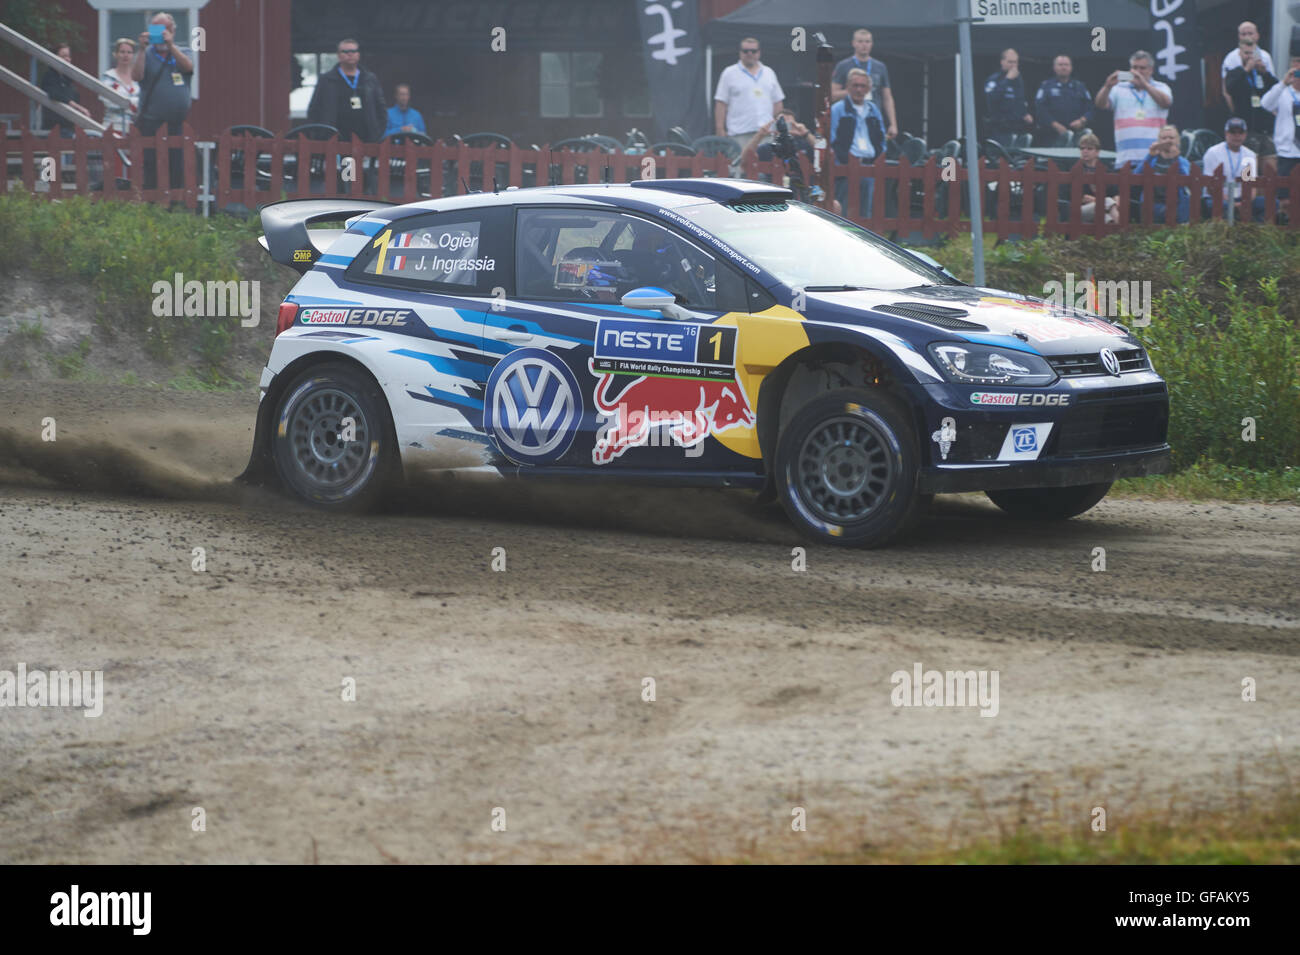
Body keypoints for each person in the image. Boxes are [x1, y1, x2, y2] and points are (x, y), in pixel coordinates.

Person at [131, 12, 194, 189]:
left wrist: (171, 45)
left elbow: (188, 68)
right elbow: (136, 76)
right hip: (152, 120)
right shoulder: (147, 53)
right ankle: (152, 201)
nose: (161, 33)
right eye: (156, 29)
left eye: (164, 29)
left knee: (177, 163)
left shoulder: (184, 51)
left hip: (176, 121)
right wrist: (142, 49)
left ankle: (175, 202)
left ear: (172, 30)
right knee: (152, 163)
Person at [713, 37, 784, 173]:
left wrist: (777, 127)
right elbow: (721, 103)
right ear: (740, 52)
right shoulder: (729, 73)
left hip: (766, 135)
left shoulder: (769, 73)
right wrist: (720, 129)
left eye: (753, 51)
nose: (749, 54)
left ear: (759, 52)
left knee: (765, 173)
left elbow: (778, 102)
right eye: (746, 51)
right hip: (739, 134)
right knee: (739, 173)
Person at [1095, 50, 1173, 167]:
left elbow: (1166, 103)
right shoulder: (1119, 88)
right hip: (1126, 157)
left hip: (1155, 157)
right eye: (1135, 67)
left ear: (1151, 70)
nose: (1138, 72)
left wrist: (1145, 85)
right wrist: (1107, 86)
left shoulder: (1161, 87)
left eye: (1142, 68)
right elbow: (1100, 104)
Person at [307, 38, 387, 142]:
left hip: (366, 140)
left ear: (358, 55)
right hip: (334, 140)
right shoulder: (326, 80)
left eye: (353, 51)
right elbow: (314, 110)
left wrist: (377, 133)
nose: (350, 54)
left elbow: (381, 109)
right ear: (338, 55)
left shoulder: (370, 79)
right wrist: (321, 135)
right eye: (345, 51)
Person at [831, 68, 885, 218]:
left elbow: (881, 137)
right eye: (855, 85)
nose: (859, 90)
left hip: (869, 166)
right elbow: (831, 139)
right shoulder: (837, 109)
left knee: (865, 212)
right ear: (847, 87)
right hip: (845, 167)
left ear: (868, 88)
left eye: (863, 86)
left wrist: (877, 157)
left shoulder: (874, 110)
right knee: (845, 210)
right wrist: (841, 159)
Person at [830, 28, 897, 139]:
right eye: (860, 41)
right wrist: (854, 92)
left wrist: (893, 124)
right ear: (853, 43)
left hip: (872, 117)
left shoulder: (880, 67)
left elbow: (887, 97)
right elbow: (832, 94)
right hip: (849, 118)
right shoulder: (843, 66)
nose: (864, 45)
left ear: (872, 44)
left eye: (867, 41)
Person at [1225, 46, 1279, 174]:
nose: (1250, 57)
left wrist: (1265, 73)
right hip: (1247, 129)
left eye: (1252, 54)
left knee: (1270, 171)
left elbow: (1277, 90)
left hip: (1266, 129)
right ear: (1240, 55)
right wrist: (1246, 69)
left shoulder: (1263, 74)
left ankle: (1267, 194)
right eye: (1246, 54)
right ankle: (1250, 194)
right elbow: (1230, 88)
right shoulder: (1235, 72)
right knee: (1248, 172)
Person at [1201, 117, 1265, 222]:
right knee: (1222, 206)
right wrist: (1231, 203)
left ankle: (1253, 231)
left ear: (1245, 135)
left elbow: (1252, 186)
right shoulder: (1213, 152)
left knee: (1269, 203)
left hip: (1242, 199)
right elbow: (1210, 186)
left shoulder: (1250, 155)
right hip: (1218, 198)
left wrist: (1245, 202)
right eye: (1233, 132)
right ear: (1226, 133)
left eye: (1240, 132)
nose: (1237, 136)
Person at [1133, 125, 1190, 224]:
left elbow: (1187, 182)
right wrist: (1150, 155)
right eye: (1164, 138)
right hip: (1153, 206)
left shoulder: (1183, 162)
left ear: (1178, 141)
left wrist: (1176, 158)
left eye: (1171, 138)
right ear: (1159, 141)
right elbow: (1135, 177)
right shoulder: (1151, 160)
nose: (1168, 140)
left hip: (1177, 207)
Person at [1034, 54, 1091, 146]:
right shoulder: (1046, 86)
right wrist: (1055, 125)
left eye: (1066, 65)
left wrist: (1082, 120)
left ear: (1071, 67)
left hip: (1076, 133)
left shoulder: (1080, 86)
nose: (1063, 67)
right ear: (1054, 67)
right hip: (1051, 135)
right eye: (1060, 65)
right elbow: (1040, 109)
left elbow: (1090, 108)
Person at [39, 42, 93, 137]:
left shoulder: (67, 79)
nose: (67, 59)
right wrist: (78, 107)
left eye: (68, 56)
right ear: (54, 57)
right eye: (63, 56)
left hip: (68, 127)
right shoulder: (49, 76)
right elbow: (54, 94)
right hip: (53, 128)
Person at [1222, 21, 1274, 115]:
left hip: (1261, 107)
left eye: (1250, 33)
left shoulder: (1265, 56)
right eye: (1243, 34)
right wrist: (1233, 112)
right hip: (1241, 106)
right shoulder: (1231, 57)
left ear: (1257, 35)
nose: (1247, 36)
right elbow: (1226, 89)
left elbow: (1273, 87)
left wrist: (1264, 72)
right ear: (1239, 36)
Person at [983, 49, 1033, 146]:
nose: (1013, 65)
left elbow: (1020, 99)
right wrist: (1007, 79)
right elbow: (992, 98)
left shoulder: (1018, 80)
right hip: (999, 128)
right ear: (1002, 62)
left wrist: (1025, 113)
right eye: (1010, 62)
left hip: (1017, 127)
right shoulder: (994, 79)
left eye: (1015, 62)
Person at [1067, 133, 1117, 224]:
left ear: (1097, 152)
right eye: (1082, 148)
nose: (1085, 151)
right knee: (1108, 202)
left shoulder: (1106, 170)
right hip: (1081, 210)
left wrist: (1116, 199)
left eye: (1089, 149)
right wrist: (1104, 201)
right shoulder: (1074, 169)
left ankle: (1112, 234)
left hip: (1103, 209)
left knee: (1107, 217)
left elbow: (1115, 192)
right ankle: (1123, 233)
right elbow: (1078, 197)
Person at [100, 37, 139, 134]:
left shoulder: (138, 78)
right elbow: (108, 101)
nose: (125, 55)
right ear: (116, 54)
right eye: (122, 52)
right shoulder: (108, 76)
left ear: (133, 55)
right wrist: (133, 103)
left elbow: (144, 101)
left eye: (129, 52)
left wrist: (124, 101)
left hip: (135, 128)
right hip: (112, 127)